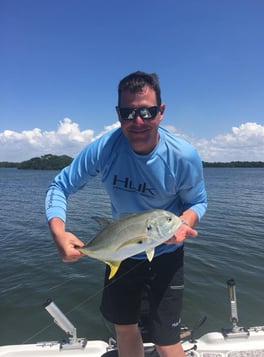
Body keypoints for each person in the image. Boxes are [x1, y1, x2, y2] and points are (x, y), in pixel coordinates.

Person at [45, 71, 207, 357]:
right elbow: (60, 185)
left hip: (167, 255)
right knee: (124, 327)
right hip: (118, 252)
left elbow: (198, 202)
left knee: (166, 338)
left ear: (161, 112)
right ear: (118, 114)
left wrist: (183, 224)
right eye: (128, 113)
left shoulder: (183, 156)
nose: (138, 121)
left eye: (148, 111)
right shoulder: (105, 149)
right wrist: (58, 232)